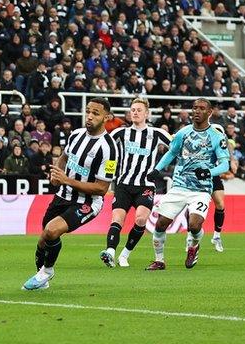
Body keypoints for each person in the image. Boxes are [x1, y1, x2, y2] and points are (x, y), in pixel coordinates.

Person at [24, 97, 119, 290]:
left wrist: (67, 180)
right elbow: (64, 157)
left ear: (106, 117)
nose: (90, 116)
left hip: (87, 203)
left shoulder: (109, 148)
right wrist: (56, 174)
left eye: (96, 113)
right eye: (89, 111)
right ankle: (41, 276)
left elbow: (102, 188)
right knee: (44, 237)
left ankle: (48, 271)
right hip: (62, 195)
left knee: (52, 230)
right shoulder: (76, 135)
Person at [145, 98, 230, 271]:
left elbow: (225, 164)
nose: (197, 111)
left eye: (201, 108)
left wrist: (208, 172)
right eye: (194, 108)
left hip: (201, 189)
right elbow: (171, 153)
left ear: (209, 112)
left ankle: (194, 246)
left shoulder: (217, 137)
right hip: (179, 186)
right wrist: (157, 169)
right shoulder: (183, 133)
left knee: (194, 225)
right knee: (161, 223)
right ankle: (159, 261)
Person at [100, 98, 171, 267]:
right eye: (133, 110)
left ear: (146, 113)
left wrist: (160, 168)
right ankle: (110, 252)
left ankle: (124, 254)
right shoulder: (120, 133)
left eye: (139, 110)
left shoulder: (157, 133)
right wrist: (107, 174)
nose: (135, 113)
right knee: (117, 219)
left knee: (140, 220)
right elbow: (105, 150)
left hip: (145, 185)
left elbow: (175, 148)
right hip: (123, 184)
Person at [208, 123, 237, 253]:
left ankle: (217, 236)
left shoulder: (221, 144)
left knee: (220, 205)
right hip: (198, 175)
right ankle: (190, 237)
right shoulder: (201, 141)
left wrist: (232, 161)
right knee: (192, 206)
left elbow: (224, 159)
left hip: (213, 175)